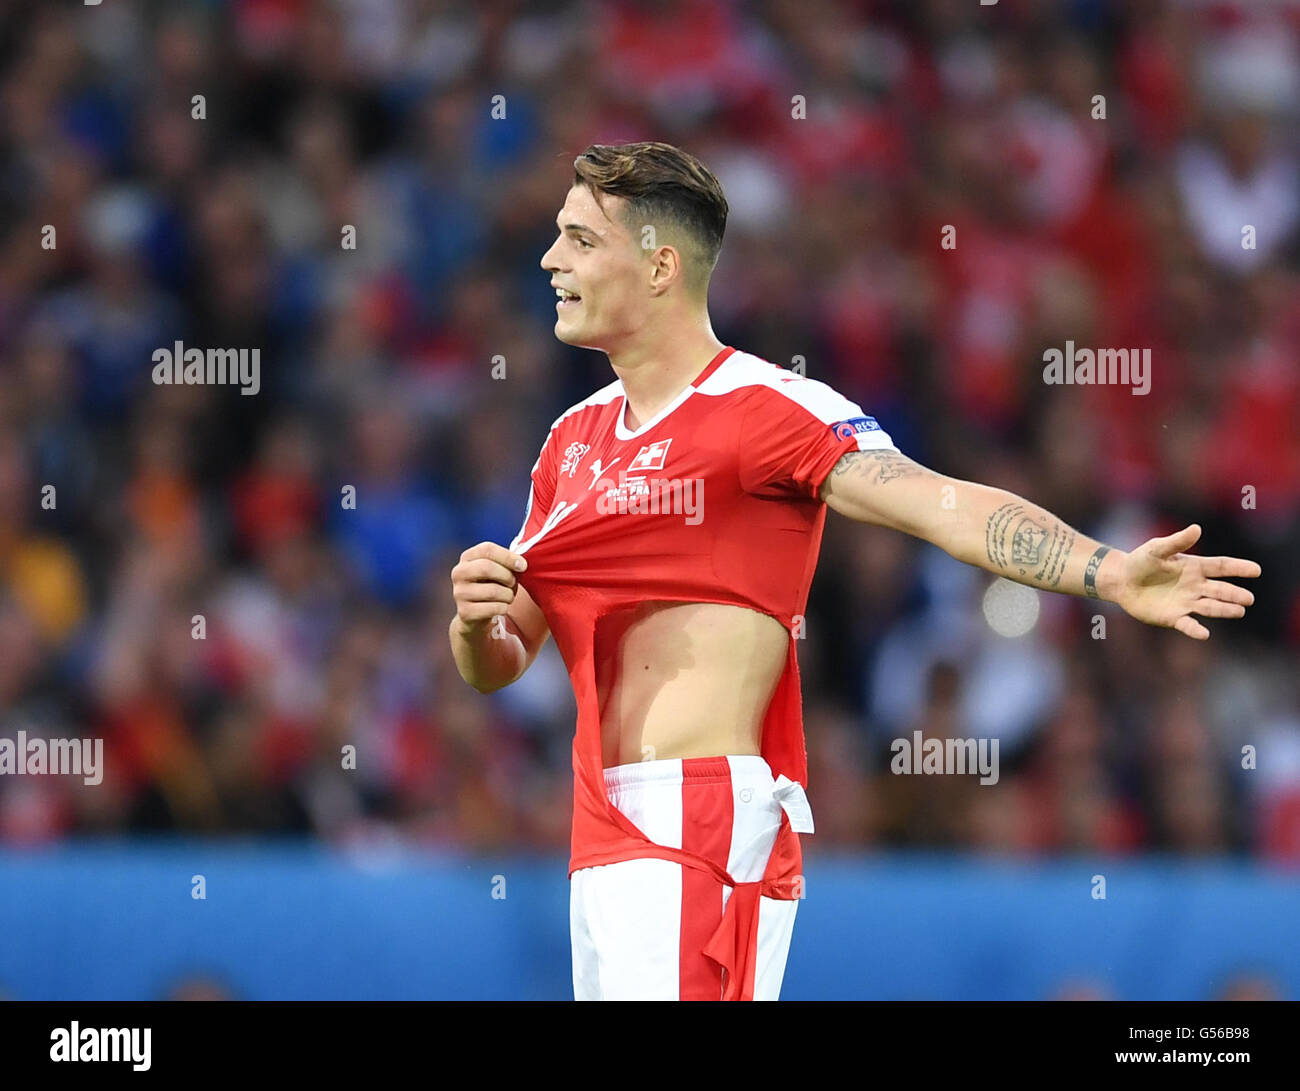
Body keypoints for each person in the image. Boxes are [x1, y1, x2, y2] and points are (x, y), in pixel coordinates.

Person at [448, 141, 1261, 1001]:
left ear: (659, 266)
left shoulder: (769, 409)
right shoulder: (570, 440)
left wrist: (1110, 572)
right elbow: (504, 661)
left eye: (579, 239)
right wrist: (473, 623)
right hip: (597, 825)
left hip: (699, 816)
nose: (550, 259)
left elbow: (939, 503)